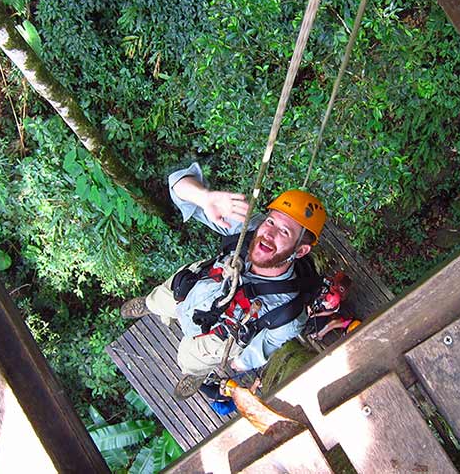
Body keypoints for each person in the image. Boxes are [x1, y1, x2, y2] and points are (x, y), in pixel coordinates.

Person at [120, 163, 326, 399]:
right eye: (271, 221)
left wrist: (242, 361)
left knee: (190, 360)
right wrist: (204, 196)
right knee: (160, 299)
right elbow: (177, 183)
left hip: (215, 340)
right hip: (189, 290)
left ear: (300, 251)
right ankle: (149, 305)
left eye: (285, 232)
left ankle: (194, 373)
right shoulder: (248, 228)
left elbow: (266, 344)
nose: (269, 233)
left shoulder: (288, 312)